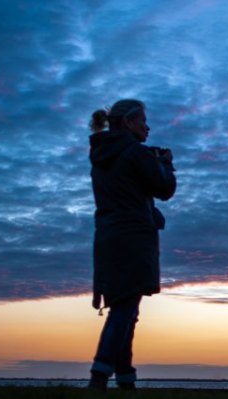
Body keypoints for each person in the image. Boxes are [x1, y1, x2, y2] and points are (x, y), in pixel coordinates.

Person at [86, 99, 177, 390]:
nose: (147, 126)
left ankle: (125, 381)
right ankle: (98, 377)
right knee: (125, 309)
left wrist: (150, 161)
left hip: (108, 236)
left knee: (126, 308)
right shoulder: (134, 153)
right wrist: (164, 163)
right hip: (134, 237)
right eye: (143, 121)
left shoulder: (102, 156)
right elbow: (164, 189)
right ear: (128, 123)